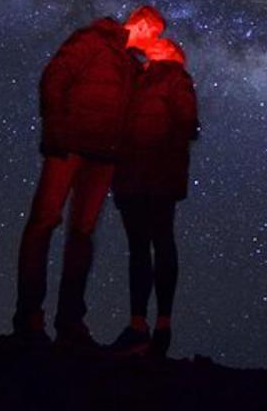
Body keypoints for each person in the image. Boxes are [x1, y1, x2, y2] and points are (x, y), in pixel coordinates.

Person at [12, 5, 166, 346]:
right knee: (43, 223)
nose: (154, 41)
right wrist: (54, 129)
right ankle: (29, 319)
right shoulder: (93, 41)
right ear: (143, 25)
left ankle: (70, 324)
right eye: (154, 34)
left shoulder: (131, 67)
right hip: (68, 145)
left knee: (81, 235)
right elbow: (56, 75)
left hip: (103, 158)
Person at [110, 36, 199, 357]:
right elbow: (189, 124)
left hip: (144, 172)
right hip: (146, 173)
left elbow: (186, 123)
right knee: (152, 244)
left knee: (149, 245)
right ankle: (150, 325)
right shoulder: (155, 80)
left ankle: (148, 326)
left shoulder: (159, 80)